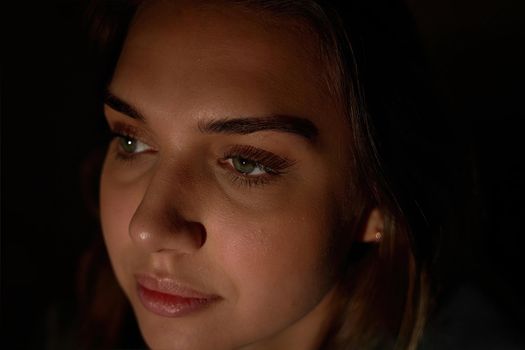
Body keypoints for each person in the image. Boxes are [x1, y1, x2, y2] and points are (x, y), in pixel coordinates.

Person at [79, 0, 465, 349]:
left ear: (376, 199)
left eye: (246, 163)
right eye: (131, 142)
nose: (147, 227)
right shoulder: (73, 325)